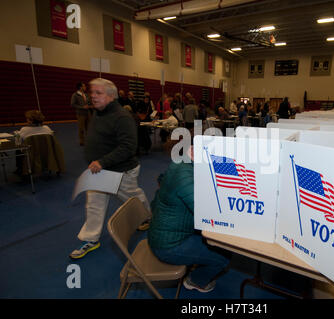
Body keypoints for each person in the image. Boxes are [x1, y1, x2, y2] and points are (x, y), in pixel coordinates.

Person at [69, 78, 150, 259]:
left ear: (111, 96)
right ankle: (91, 238)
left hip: (121, 171)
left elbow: (128, 147)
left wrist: (102, 162)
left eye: (99, 93)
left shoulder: (122, 117)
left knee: (132, 198)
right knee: (94, 204)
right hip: (99, 171)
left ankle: (146, 216)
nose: (93, 96)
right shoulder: (98, 113)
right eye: (92, 92)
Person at [147, 146, 229, 293]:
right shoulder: (185, 177)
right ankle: (195, 281)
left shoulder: (180, 164)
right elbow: (207, 215)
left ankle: (197, 261)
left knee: (215, 245)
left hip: (165, 233)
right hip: (169, 246)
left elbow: (161, 178)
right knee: (223, 258)